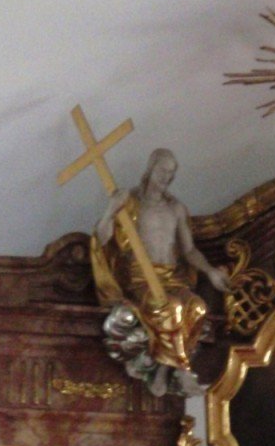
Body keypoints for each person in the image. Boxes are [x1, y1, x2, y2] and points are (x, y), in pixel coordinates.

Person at [91, 147, 230, 380]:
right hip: (141, 277)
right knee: (171, 308)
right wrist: (110, 209)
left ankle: (165, 368)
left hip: (172, 277)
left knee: (198, 308)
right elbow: (102, 238)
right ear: (150, 168)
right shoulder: (131, 203)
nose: (168, 177)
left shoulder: (176, 208)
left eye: (172, 172)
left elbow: (189, 250)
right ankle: (181, 371)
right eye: (163, 170)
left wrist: (210, 272)